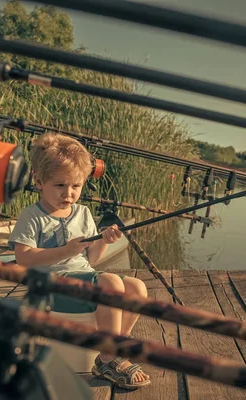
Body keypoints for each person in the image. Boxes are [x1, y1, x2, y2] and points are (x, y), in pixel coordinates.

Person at [8, 133, 151, 389]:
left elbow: (91, 259)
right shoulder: (32, 216)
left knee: (137, 288)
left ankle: (114, 348)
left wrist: (104, 240)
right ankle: (109, 357)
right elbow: (23, 258)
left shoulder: (83, 213)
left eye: (76, 186)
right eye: (60, 186)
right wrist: (65, 250)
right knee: (110, 282)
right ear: (39, 181)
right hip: (50, 287)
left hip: (80, 280)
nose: (69, 194)